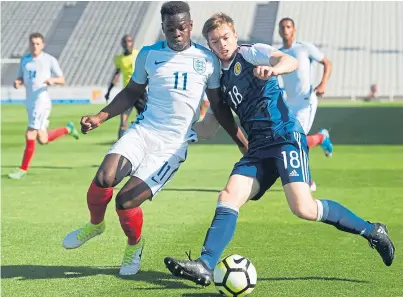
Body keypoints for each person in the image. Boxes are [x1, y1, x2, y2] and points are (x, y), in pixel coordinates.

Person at [164, 13, 395, 286]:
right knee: (228, 195)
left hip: (285, 136)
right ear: (210, 45)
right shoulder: (218, 80)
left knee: (304, 208)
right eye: (215, 41)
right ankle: (205, 264)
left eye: (226, 37)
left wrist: (274, 69)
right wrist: (177, 135)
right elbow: (209, 126)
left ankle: (372, 230)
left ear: (234, 35)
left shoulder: (251, 53)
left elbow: (290, 61)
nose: (222, 44)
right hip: (258, 148)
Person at [62, 2, 247, 276]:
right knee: (104, 178)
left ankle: (134, 246)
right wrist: (101, 117)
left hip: (172, 146)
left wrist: (242, 143)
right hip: (143, 131)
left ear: (190, 26)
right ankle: (95, 225)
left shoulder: (207, 61)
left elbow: (219, 107)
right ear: (163, 28)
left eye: (182, 27)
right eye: (170, 28)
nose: (177, 33)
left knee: (125, 201)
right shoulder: (149, 55)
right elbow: (132, 91)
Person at [8, 32, 79, 180]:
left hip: (41, 102)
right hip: (30, 102)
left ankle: (22, 169)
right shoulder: (25, 60)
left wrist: (52, 80)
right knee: (43, 139)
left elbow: (62, 79)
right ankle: (68, 129)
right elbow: (21, 77)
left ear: (43, 44)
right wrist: (18, 82)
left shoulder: (49, 60)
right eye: (32, 43)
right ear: (29, 44)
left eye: (38, 43)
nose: (35, 46)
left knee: (30, 134)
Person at [278, 17, 334, 191]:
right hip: (289, 104)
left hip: (306, 102)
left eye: (288, 27)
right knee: (288, 140)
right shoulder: (279, 53)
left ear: (294, 29)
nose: (285, 30)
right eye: (282, 27)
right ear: (279, 31)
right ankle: (322, 137)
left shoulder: (304, 48)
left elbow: (327, 62)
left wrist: (323, 82)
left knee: (296, 140)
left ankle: (307, 180)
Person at [104, 34, 147, 139]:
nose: (128, 44)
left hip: (140, 92)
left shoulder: (139, 54)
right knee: (123, 122)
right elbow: (116, 75)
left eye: (130, 41)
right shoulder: (119, 59)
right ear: (122, 44)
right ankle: (119, 147)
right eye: (126, 41)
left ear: (133, 42)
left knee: (147, 120)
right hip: (127, 93)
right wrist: (109, 91)